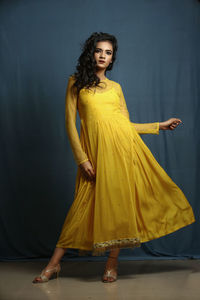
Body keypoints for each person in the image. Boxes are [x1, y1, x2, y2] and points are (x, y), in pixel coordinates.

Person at [32, 32, 195, 284]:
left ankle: (111, 265)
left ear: (111, 59)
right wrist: (81, 159)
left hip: (121, 151)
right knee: (81, 208)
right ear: (91, 53)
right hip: (94, 155)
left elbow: (124, 125)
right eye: (99, 50)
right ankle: (54, 265)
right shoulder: (75, 82)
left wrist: (158, 126)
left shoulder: (116, 88)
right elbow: (69, 124)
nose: (103, 56)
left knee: (120, 206)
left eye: (108, 53)